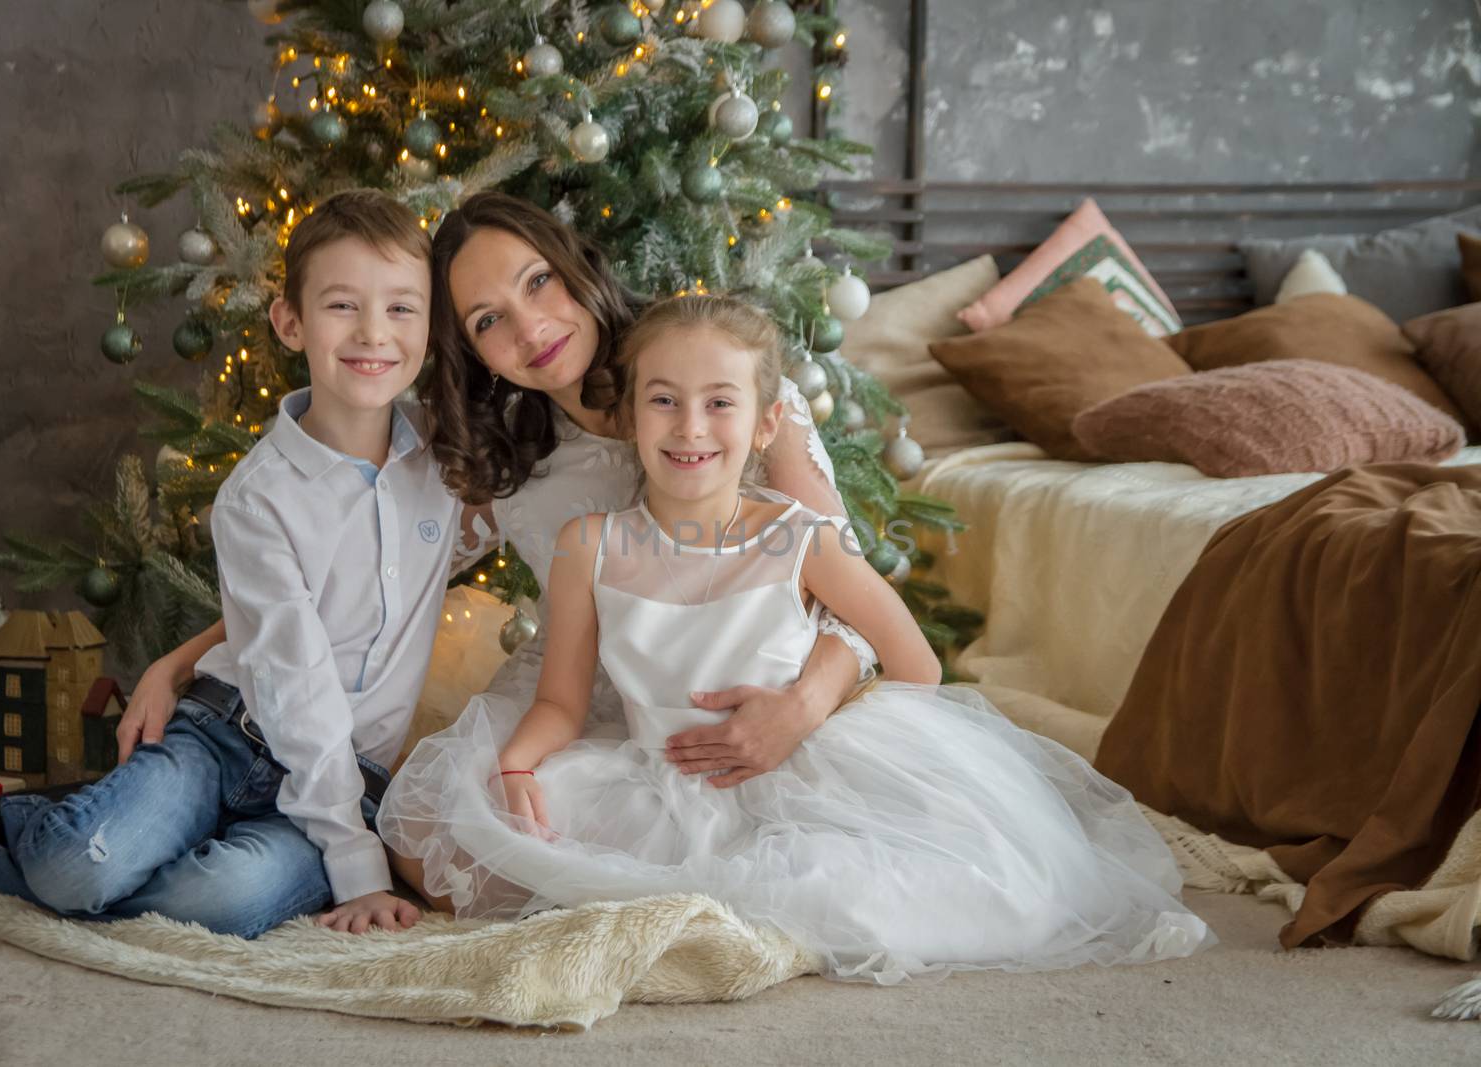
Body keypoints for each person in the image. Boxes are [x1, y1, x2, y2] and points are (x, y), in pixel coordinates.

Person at [377, 294, 1214, 984]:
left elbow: (913, 661)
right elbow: (562, 698)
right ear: (630, 415)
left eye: (718, 403)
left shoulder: (798, 535)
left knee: (885, 894)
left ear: (767, 422)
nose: (689, 426)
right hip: (655, 773)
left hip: (800, 768)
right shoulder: (590, 545)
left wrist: (811, 712)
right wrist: (518, 763)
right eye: (662, 399)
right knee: (471, 836)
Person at [122, 190, 878, 810]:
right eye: (488, 320)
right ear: (469, 349)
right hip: (587, 694)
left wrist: (803, 706)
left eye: (537, 280)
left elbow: (854, 601)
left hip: (756, 679)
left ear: (575, 265)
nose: (529, 326)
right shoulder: (504, 463)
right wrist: (179, 662)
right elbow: (344, 570)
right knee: (429, 831)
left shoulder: (713, 392)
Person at [0, 189, 454, 938]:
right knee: (77, 864)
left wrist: (349, 841)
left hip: (348, 778)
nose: (374, 333)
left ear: (432, 322)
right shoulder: (261, 495)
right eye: (343, 305)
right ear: (290, 322)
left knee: (233, 899)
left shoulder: (445, 467)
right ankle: (23, 833)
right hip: (225, 735)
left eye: (403, 309)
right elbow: (292, 675)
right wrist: (355, 859)